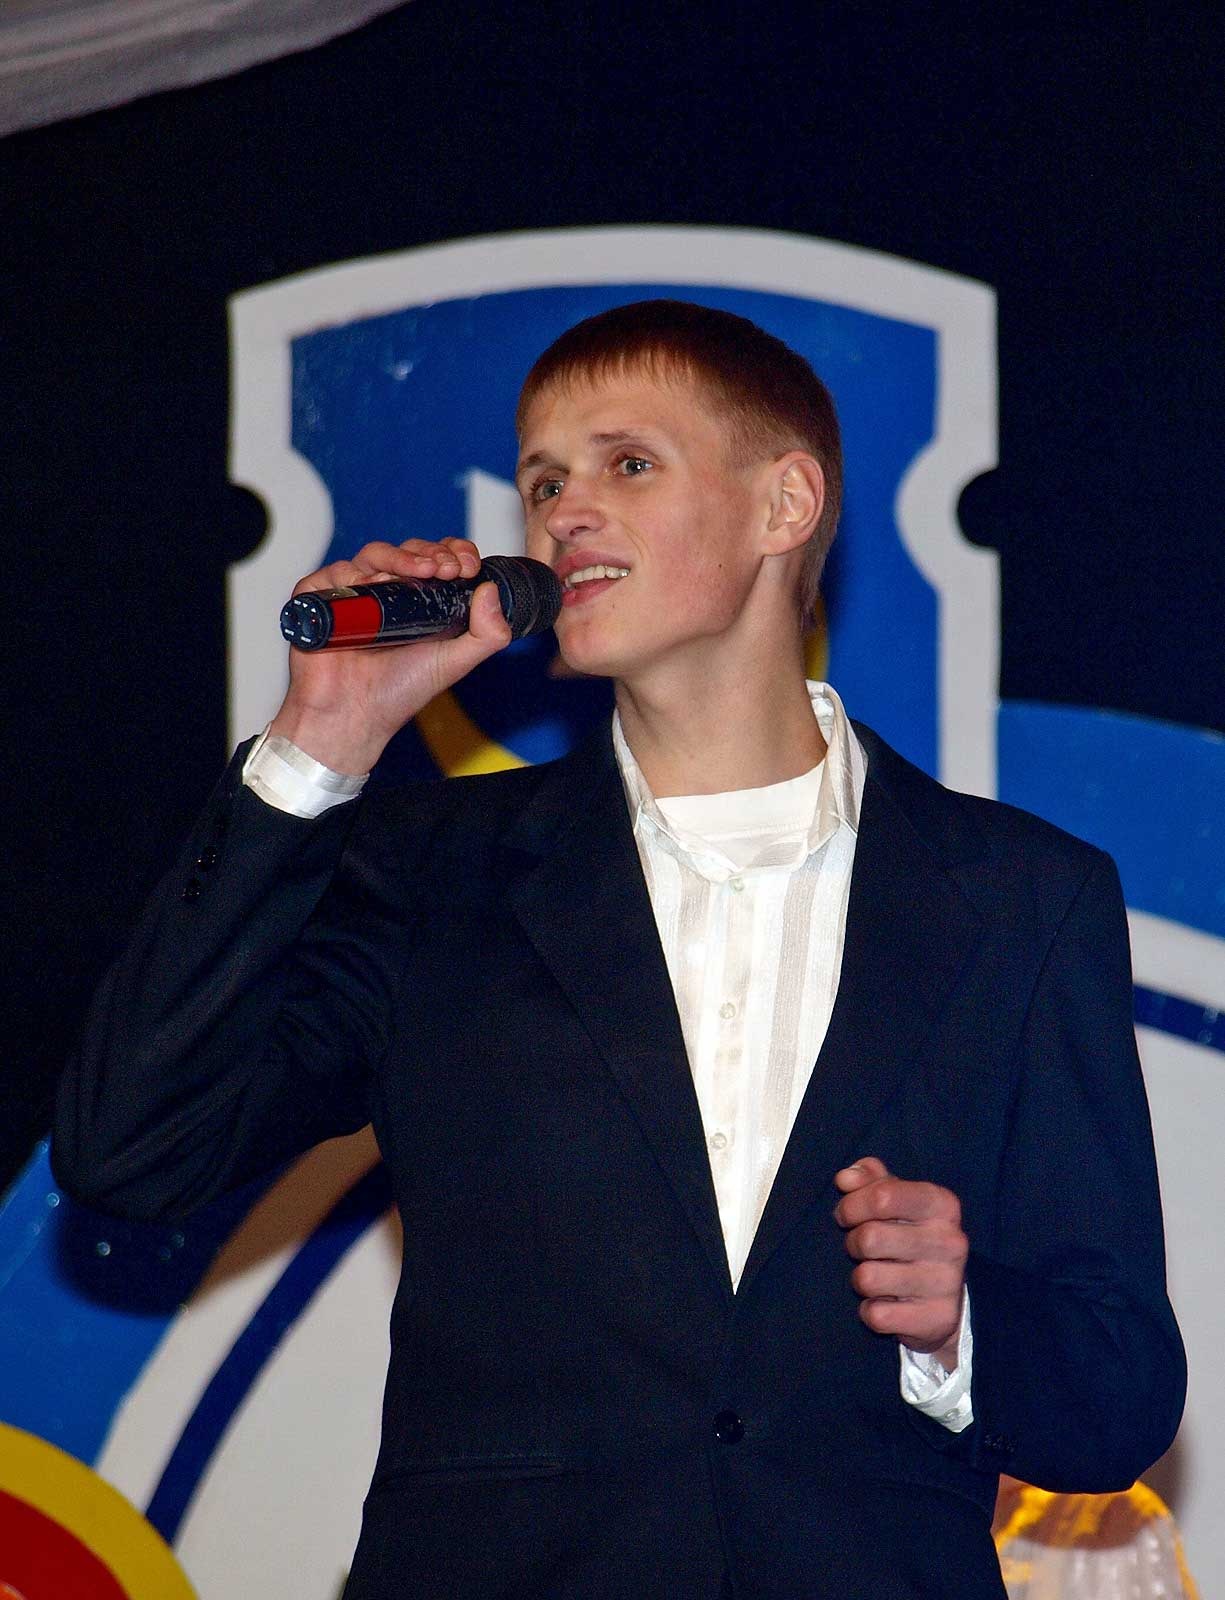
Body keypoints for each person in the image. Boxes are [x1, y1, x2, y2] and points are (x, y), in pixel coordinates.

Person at [54, 300, 1184, 1598]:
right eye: (543, 483)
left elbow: (1115, 1395)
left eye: (626, 463)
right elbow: (132, 1152)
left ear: (785, 503)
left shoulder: (1021, 898)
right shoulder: (431, 870)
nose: (564, 515)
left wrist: (961, 1321)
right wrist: (321, 747)